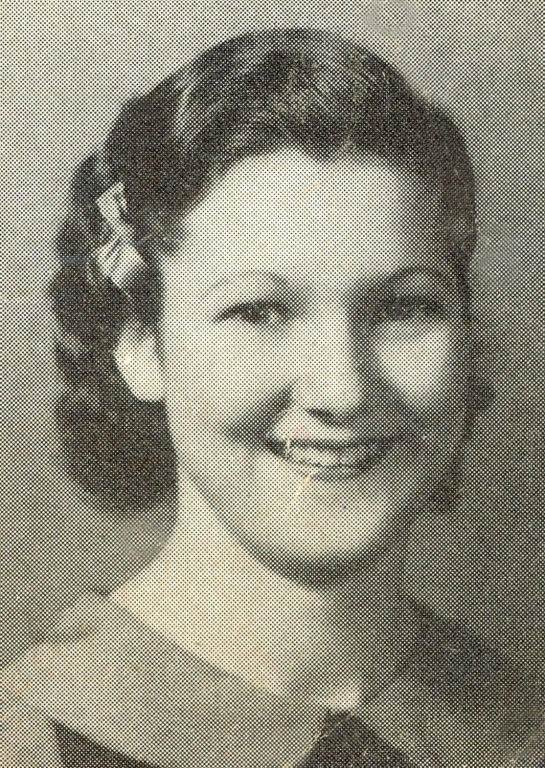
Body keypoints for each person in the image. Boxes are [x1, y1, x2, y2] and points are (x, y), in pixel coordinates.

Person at [1, 27, 543, 768]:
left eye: (401, 308)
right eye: (259, 311)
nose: (342, 389)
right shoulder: (29, 743)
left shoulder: (516, 727)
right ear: (141, 344)